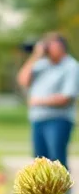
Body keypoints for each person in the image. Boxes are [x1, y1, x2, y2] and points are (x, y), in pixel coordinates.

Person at [17, 33, 79, 170]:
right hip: (38, 119)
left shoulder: (71, 66)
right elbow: (22, 79)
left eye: (51, 44)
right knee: (39, 162)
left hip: (59, 120)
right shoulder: (41, 64)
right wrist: (35, 56)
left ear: (61, 46)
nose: (47, 48)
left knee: (57, 161)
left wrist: (38, 101)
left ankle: (63, 191)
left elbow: (67, 97)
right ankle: (43, 191)